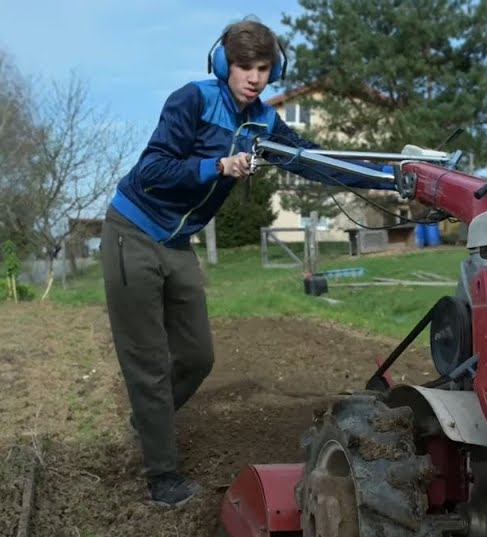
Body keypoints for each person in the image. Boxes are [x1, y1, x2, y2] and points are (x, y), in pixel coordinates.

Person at [99, 16, 391, 508]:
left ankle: (149, 419)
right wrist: (216, 165)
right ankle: (162, 475)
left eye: (262, 67)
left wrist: (389, 176)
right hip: (132, 233)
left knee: (197, 356)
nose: (253, 77)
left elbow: (313, 159)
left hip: (176, 243)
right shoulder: (192, 100)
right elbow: (151, 171)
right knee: (148, 363)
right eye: (243, 66)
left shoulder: (264, 123)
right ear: (223, 64)